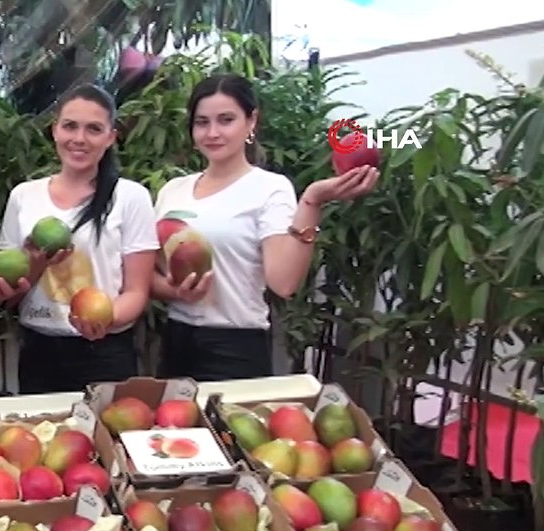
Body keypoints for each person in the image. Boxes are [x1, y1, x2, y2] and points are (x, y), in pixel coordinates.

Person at [151, 73, 378, 381]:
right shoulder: (172, 190)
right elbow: (146, 273)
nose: (213, 132)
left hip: (235, 347)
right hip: (175, 342)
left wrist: (311, 201)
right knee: (174, 429)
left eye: (226, 120)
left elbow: (283, 283)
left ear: (251, 121)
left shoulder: (269, 188)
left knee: (230, 432)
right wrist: (174, 291)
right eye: (202, 122)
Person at [0, 84, 159, 394]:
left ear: (110, 137)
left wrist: (103, 320)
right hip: (39, 351)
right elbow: (12, 297)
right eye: (70, 126)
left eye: (94, 129)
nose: (79, 139)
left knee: (108, 439)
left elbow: (136, 291)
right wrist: (33, 266)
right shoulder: (24, 196)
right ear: (54, 130)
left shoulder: (131, 197)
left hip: (106, 351)